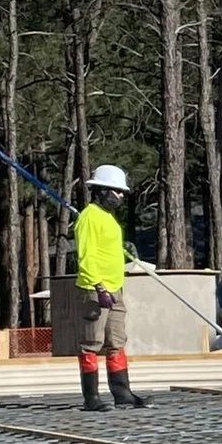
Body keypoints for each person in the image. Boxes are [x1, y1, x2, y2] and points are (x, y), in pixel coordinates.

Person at [73, 164, 142, 410]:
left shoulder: (108, 218)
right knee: (91, 342)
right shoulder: (89, 217)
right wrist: (99, 287)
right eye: (117, 191)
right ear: (102, 191)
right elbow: (87, 256)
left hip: (115, 288)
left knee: (116, 341)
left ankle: (122, 393)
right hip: (96, 290)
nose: (121, 196)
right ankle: (91, 398)